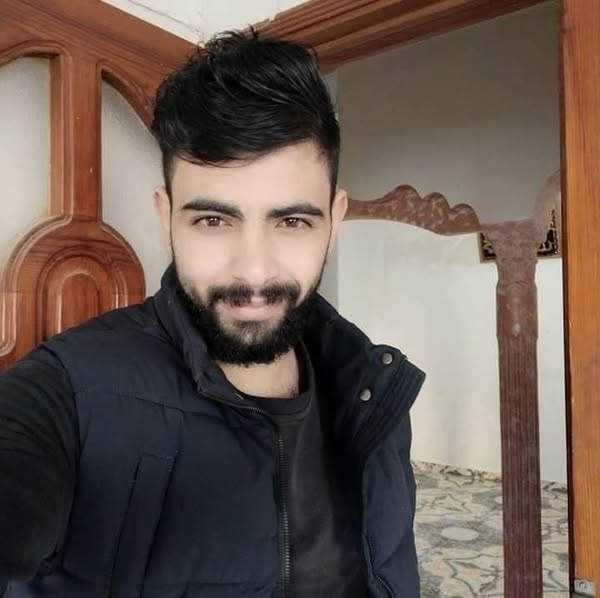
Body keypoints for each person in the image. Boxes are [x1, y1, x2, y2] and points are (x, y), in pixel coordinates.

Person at [0, 29, 425, 598]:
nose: (253, 270)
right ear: (166, 217)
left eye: (291, 221)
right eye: (213, 221)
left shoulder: (374, 394)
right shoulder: (66, 393)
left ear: (334, 219)